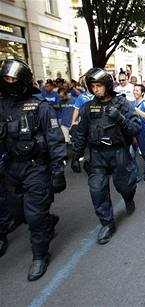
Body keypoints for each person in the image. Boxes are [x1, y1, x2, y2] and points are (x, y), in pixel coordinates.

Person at [0, 59, 67, 281]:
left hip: (35, 168)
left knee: (34, 215)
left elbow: (55, 140)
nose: (9, 83)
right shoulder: (2, 105)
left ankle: (40, 255)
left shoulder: (40, 106)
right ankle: (48, 222)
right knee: (18, 213)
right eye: (6, 79)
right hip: (10, 168)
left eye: (13, 79)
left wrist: (58, 171)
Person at [71, 68, 141, 245]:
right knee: (97, 190)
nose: (96, 89)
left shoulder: (122, 104)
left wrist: (120, 118)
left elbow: (135, 128)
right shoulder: (88, 107)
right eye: (93, 86)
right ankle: (107, 223)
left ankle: (128, 198)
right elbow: (80, 133)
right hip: (97, 155)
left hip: (118, 152)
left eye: (99, 86)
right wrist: (76, 155)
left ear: (107, 85)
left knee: (125, 186)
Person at [131, 83, 145, 182]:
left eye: (137, 90)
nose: (135, 92)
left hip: (143, 131)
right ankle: (136, 174)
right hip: (132, 132)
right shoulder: (132, 103)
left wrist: (136, 110)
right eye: (134, 90)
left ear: (142, 92)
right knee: (131, 154)